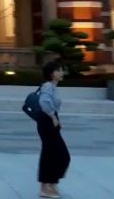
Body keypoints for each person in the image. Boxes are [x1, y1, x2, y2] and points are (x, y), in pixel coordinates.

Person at [36, 61, 70, 198]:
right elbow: (43, 103)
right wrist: (52, 117)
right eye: (59, 70)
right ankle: (47, 186)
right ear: (51, 73)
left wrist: (56, 119)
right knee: (59, 154)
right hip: (47, 120)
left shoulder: (53, 87)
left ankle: (50, 184)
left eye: (61, 70)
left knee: (53, 153)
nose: (61, 73)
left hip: (50, 119)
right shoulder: (48, 86)